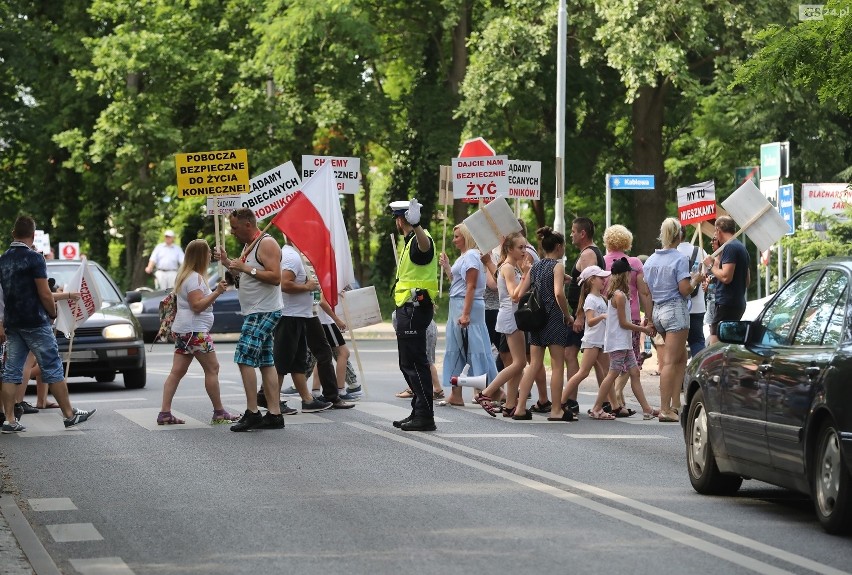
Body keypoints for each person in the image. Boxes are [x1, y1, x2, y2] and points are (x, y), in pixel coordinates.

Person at [0, 216, 95, 433]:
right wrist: (52, 312)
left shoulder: (2, 259)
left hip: (13, 323)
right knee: (52, 366)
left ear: (13, 234)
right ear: (33, 236)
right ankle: (69, 415)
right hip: (35, 321)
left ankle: (9, 420)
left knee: (11, 371)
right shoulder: (35, 259)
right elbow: (44, 292)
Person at [215, 208, 285, 432]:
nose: (232, 232)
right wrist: (228, 263)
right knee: (266, 362)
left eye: (234, 228)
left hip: (263, 310)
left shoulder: (267, 243)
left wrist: (245, 266)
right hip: (255, 309)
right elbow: (245, 274)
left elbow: (275, 278)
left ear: (247, 224)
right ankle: (274, 414)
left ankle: (252, 412)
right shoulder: (249, 246)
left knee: (244, 357)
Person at [156, 239, 239, 425]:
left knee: (176, 372)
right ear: (201, 255)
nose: (210, 255)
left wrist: (213, 293)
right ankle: (219, 412)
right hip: (195, 332)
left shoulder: (186, 276)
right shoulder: (194, 278)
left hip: (185, 331)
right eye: (208, 252)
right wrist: (216, 292)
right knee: (213, 369)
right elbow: (197, 306)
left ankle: (165, 413)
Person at [272, 241, 352, 414]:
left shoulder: (299, 255)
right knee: (283, 361)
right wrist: (306, 287)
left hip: (306, 314)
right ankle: (272, 400)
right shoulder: (291, 256)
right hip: (291, 316)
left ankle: (317, 399)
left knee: (308, 358)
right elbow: (285, 284)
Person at [643, 218, 705, 422]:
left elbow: (647, 292)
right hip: (675, 310)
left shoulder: (651, 260)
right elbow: (685, 289)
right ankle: (664, 408)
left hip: (658, 311)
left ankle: (676, 405)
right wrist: (696, 278)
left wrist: (650, 318)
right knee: (670, 361)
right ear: (678, 235)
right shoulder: (679, 259)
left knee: (678, 359)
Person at [512, 227, 574, 422]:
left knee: (534, 364)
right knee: (557, 365)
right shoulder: (557, 266)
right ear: (558, 247)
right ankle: (556, 410)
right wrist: (567, 314)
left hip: (536, 319)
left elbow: (521, 294)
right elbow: (558, 293)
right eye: (563, 246)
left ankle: (520, 408)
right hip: (554, 318)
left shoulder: (536, 267)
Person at [389, 198, 439, 432]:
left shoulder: (421, 239)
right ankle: (418, 409)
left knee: (416, 364)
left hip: (414, 308)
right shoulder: (409, 242)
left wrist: (417, 226)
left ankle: (425, 415)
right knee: (407, 363)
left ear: (401, 220)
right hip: (409, 308)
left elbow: (425, 248)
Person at [587, 258, 657, 420]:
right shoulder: (619, 296)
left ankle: (646, 409)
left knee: (634, 373)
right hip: (619, 342)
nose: (630, 276)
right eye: (628, 273)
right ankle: (597, 407)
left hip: (624, 342)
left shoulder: (620, 295)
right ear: (624, 275)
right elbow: (624, 323)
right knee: (612, 374)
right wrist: (644, 329)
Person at [440, 224, 498, 406]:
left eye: (457, 236)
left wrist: (465, 314)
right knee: (461, 348)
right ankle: (458, 394)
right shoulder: (466, 256)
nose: (454, 239)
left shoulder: (472, 255)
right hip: (460, 303)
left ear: (466, 237)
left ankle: (490, 390)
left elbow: (470, 286)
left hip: (467, 306)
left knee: (473, 348)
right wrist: (448, 267)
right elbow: (459, 283)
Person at [474, 233, 530, 417]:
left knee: (519, 364)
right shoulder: (508, 268)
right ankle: (487, 393)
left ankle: (510, 404)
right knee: (519, 362)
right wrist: (526, 276)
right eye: (520, 248)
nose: (524, 251)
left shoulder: (510, 267)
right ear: (510, 249)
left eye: (525, 247)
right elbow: (514, 295)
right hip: (510, 316)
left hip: (512, 316)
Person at [601, 224, 653, 408]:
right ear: (627, 241)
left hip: (608, 317)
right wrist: (649, 315)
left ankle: (618, 399)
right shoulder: (635, 263)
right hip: (631, 317)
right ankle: (616, 393)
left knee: (616, 359)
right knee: (631, 358)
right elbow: (644, 292)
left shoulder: (601, 262)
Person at [564, 217, 607, 408]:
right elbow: (582, 280)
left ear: (583, 234)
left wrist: (580, 314)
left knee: (570, 354)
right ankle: (606, 402)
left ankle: (569, 400)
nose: (571, 234)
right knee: (598, 358)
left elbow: (588, 284)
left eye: (573, 231)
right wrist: (569, 279)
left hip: (583, 312)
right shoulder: (589, 252)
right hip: (585, 310)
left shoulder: (588, 254)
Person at [563, 265, 610, 412]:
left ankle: (602, 405)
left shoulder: (601, 298)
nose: (604, 280)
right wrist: (602, 316)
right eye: (601, 278)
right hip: (592, 341)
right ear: (592, 280)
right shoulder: (590, 300)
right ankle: (562, 400)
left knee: (607, 373)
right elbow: (589, 321)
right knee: (583, 372)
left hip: (601, 341)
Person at [703, 216, 750, 345]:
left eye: (714, 231)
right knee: (729, 345)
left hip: (725, 304)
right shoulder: (742, 247)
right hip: (738, 303)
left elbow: (726, 277)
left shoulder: (729, 247)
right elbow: (747, 281)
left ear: (718, 230)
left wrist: (710, 266)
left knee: (715, 345)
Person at [676, 225, 707, 357]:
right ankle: (698, 371)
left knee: (676, 345)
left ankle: (679, 375)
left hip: (676, 305)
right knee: (697, 341)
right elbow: (705, 275)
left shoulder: (670, 253)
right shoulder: (699, 251)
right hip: (697, 305)